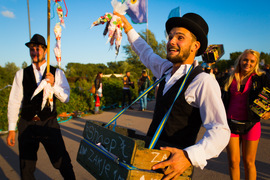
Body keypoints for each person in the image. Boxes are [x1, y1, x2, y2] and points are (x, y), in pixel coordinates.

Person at [115, 12, 230, 179]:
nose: (171, 42)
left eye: (180, 37)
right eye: (170, 36)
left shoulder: (203, 81)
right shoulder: (166, 69)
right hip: (147, 162)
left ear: (195, 46)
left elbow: (220, 130)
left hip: (173, 171)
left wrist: (189, 156)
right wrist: (127, 27)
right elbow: (146, 53)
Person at [6, 34, 75, 180]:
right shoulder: (21, 74)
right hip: (27, 123)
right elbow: (14, 101)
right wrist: (12, 129)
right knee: (26, 167)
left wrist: (53, 84)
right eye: (32, 49)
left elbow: (66, 98)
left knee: (62, 161)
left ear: (45, 51)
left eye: (37, 49)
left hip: (48, 122)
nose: (34, 52)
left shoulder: (57, 73)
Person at [222, 49, 270, 180]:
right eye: (245, 60)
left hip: (251, 124)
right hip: (231, 124)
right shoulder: (230, 77)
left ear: (256, 63)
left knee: (249, 163)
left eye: (252, 61)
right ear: (240, 60)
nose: (248, 63)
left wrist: (269, 112)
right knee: (233, 162)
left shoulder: (262, 78)